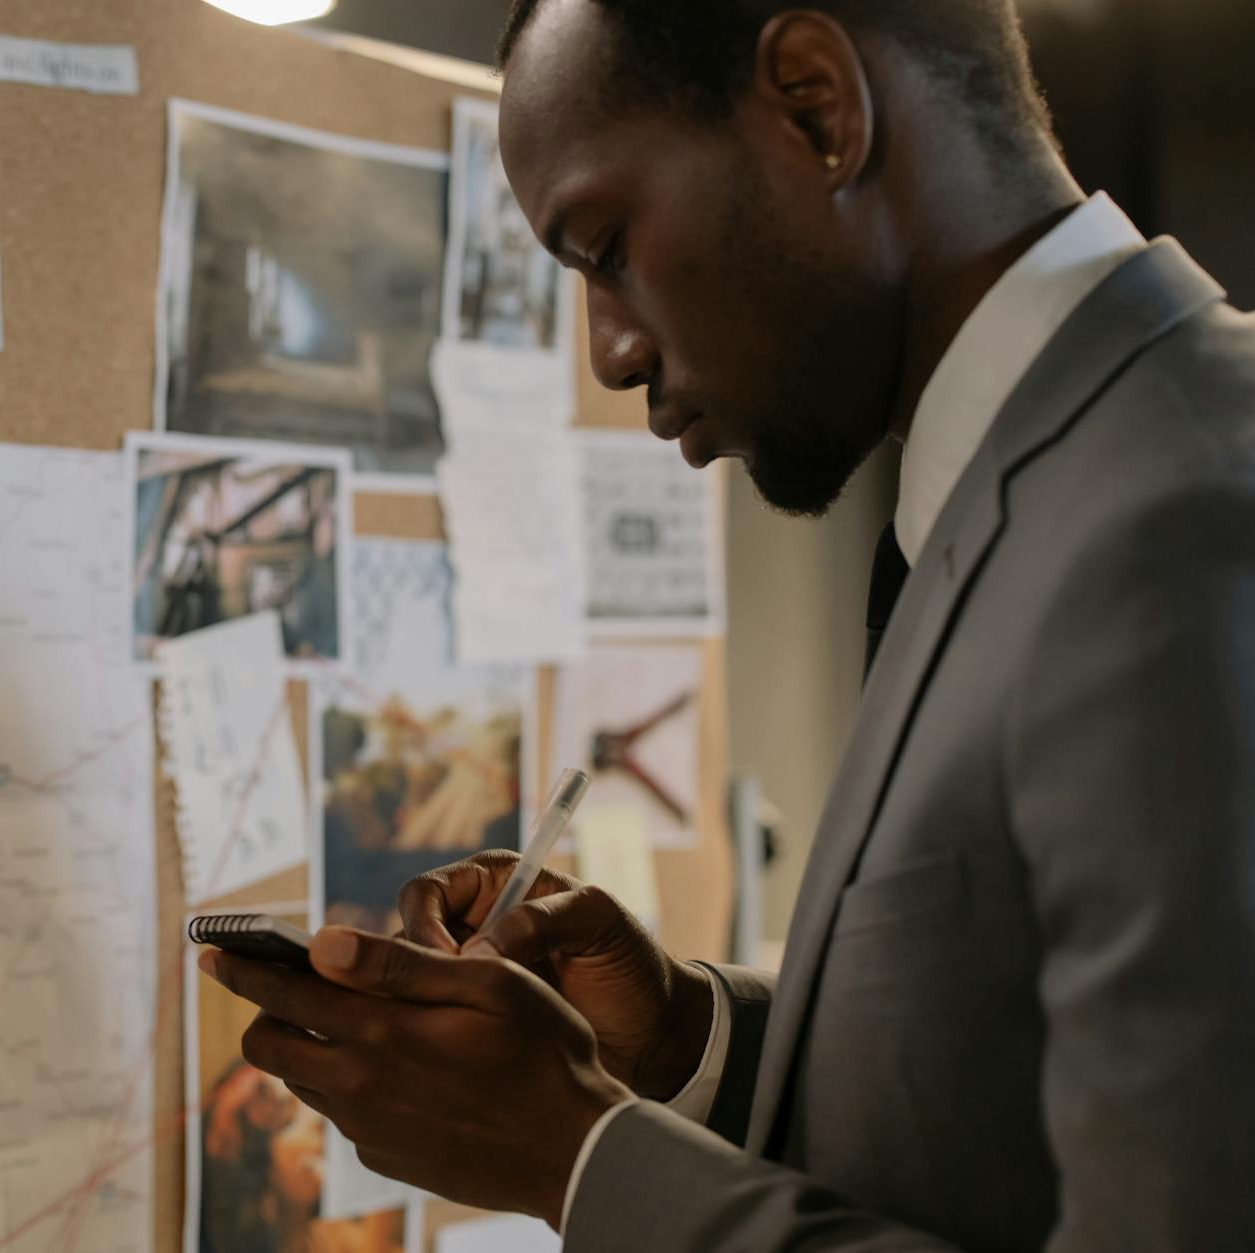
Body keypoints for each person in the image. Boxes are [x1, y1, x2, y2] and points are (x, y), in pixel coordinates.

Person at [203, 0, 1255, 1248]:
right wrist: (680, 1041)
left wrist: (575, 1156)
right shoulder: (1018, 492)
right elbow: (994, 1101)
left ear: (816, 107)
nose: (607, 352)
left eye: (604, 246)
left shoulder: (1184, 512)